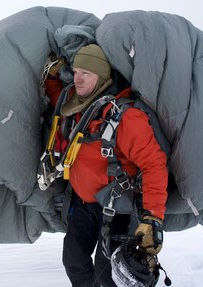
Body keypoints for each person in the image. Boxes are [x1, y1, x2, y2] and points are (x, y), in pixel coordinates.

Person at [42, 44, 169, 287]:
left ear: (101, 76)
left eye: (85, 74)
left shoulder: (126, 118)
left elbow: (154, 165)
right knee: (74, 261)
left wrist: (153, 218)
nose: (77, 79)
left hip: (115, 209)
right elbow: (59, 99)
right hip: (81, 203)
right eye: (76, 71)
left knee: (108, 275)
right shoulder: (76, 105)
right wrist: (52, 77)